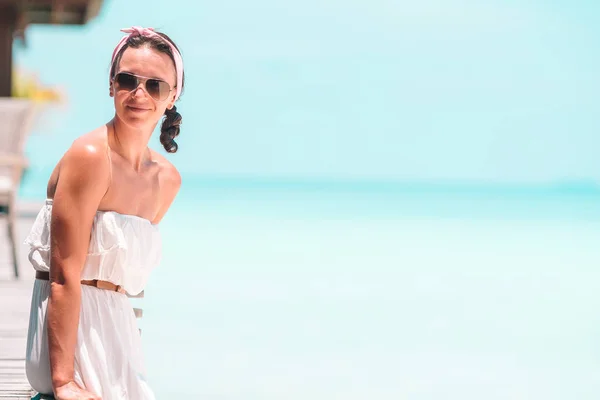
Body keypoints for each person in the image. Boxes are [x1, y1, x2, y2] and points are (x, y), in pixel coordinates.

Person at [24, 26, 185, 399]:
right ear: (111, 85)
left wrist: (131, 361)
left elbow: (129, 286)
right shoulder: (90, 156)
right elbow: (63, 277)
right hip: (64, 341)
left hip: (118, 333)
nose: (138, 93)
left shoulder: (167, 180)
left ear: (172, 96)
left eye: (155, 85)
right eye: (127, 80)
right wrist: (63, 383)